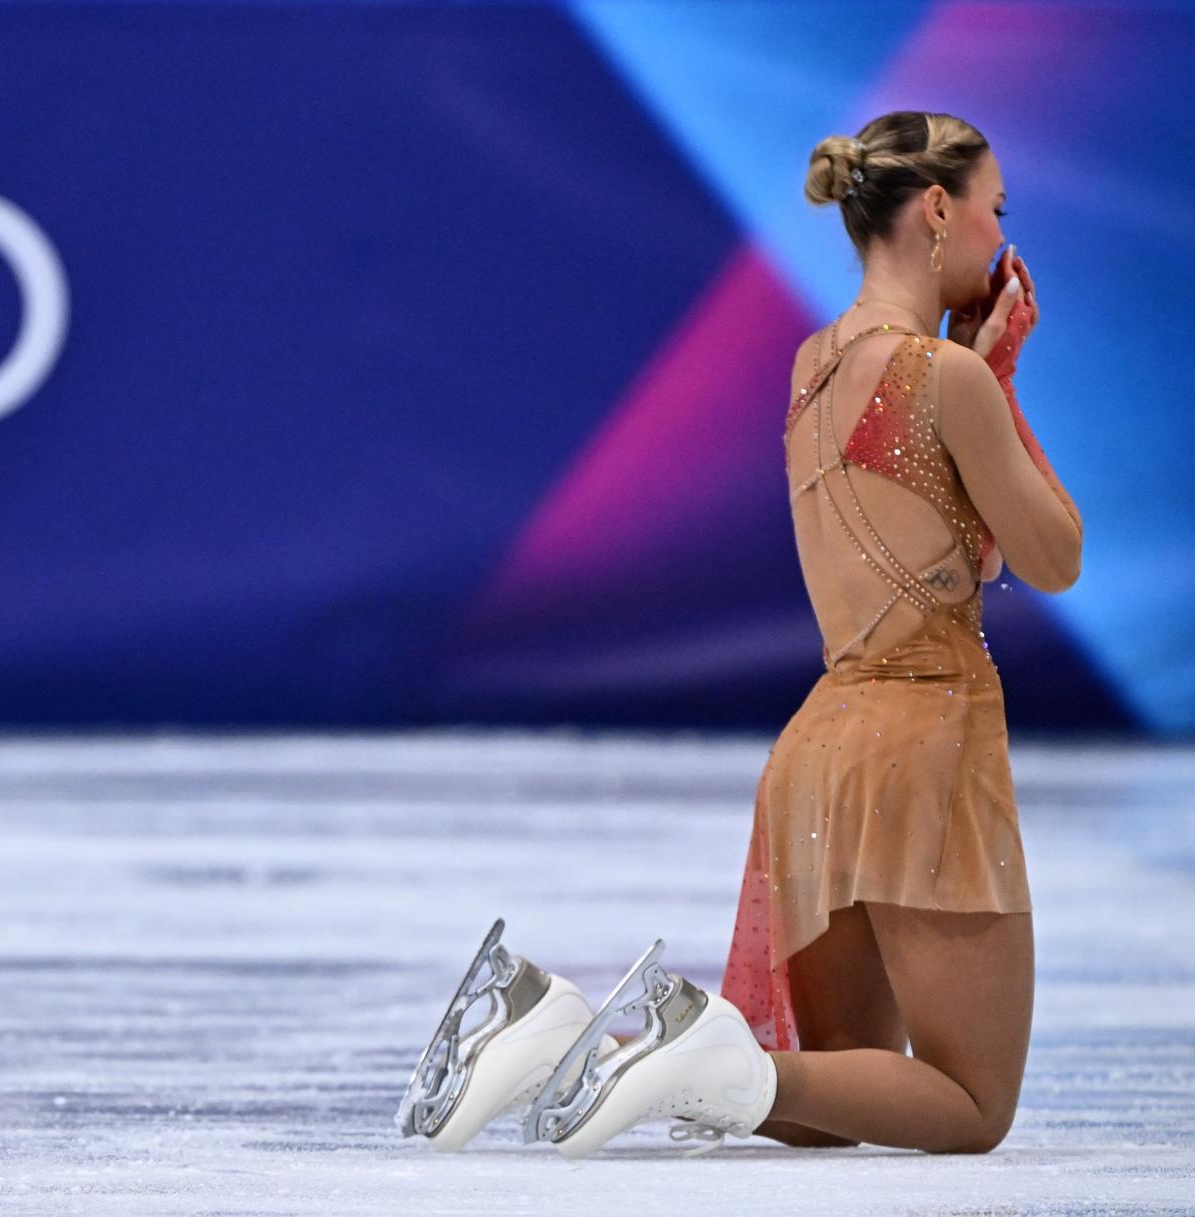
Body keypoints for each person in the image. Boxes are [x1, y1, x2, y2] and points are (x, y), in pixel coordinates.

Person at [396, 111, 1082, 1158]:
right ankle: (677, 1053)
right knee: (969, 1103)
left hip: (818, 759)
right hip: (925, 744)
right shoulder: (948, 379)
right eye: (996, 207)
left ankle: (550, 1032)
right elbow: (1053, 554)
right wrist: (1000, 379)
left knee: (823, 1096)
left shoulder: (814, 367)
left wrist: (978, 374)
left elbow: (973, 549)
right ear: (940, 209)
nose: (1003, 235)